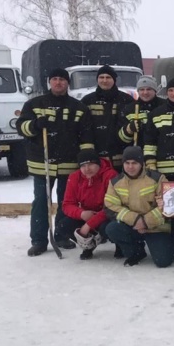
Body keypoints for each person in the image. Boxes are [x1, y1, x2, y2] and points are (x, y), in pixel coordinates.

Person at [17, 68, 95, 256]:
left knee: (66, 201)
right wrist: (35, 125)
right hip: (41, 163)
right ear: (49, 82)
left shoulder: (78, 108)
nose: (58, 82)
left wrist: (86, 162)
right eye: (55, 79)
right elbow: (21, 128)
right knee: (41, 201)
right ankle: (39, 240)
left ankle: (61, 235)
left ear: (68, 83)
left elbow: (86, 135)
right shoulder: (34, 104)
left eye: (62, 79)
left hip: (69, 163)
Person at [104, 146, 174, 268]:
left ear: (142, 163)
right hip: (132, 226)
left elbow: (170, 205)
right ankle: (136, 252)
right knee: (112, 229)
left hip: (156, 227)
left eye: (134, 163)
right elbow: (110, 207)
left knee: (163, 261)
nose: (130, 167)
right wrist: (135, 220)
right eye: (127, 163)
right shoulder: (115, 182)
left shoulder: (157, 178)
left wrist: (145, 222)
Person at [59, 149, 118, 260]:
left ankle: (120, 246)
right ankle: (88, 246)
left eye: (90, 164)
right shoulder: (74, 177)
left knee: (109, 228)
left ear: (98, 163)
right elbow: (67, 204)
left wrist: (89, 224)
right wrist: (82, 214)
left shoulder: (110, 175)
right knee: (64, 225)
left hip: (106, 215)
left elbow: (112, 206)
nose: (87, 169)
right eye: (83, 165)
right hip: (86, 214)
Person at [80, 65, 134, 168]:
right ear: (97, 79)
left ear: (114, 80)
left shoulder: (127, 100)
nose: (104, 80)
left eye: (108, 77)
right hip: (96, 159)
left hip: (122, 158)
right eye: (101, 77)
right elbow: (83, 128)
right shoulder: (87, 101)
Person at [118, 76, 164, 153]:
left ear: (155, 90)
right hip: (138, 154)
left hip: (161, 153)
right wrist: (129, 129)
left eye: (149, 89)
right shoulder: (129, 109)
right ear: (138, 91)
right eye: (142, 89)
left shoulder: (165, 106)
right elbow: (121, 139)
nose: (145, 92)